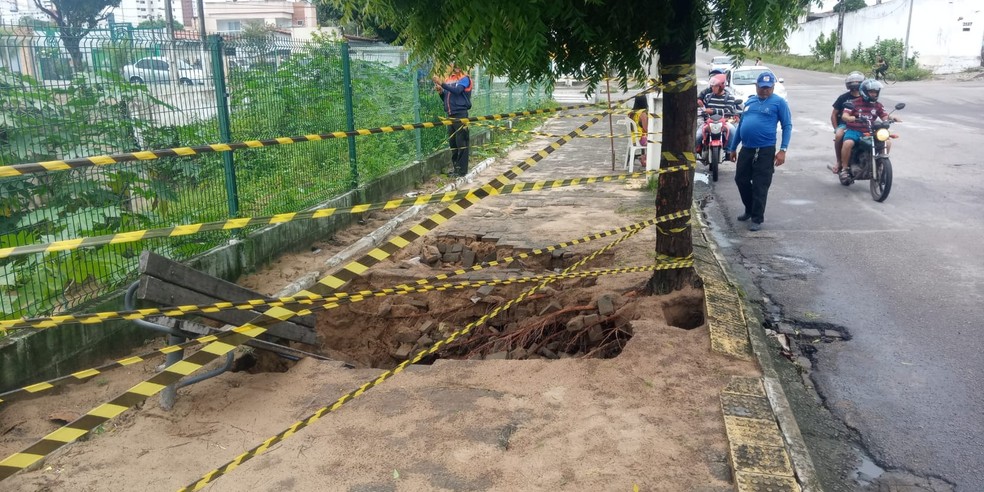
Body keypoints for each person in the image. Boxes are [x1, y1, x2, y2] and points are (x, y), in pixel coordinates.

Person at [726, 72, 792, 231]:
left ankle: (757, 218)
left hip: (765, 150)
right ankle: (750, 208)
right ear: (756, 86)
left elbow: (787, 126)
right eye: (762, 88)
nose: (764, 91)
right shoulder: (750, 101)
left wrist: (783, 150)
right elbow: (741, 126)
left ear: (773, 87)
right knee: (740, 179)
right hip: (747, 148)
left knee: (760, 185)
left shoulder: (779, 103)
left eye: (768, 88)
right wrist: (733, 148)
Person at [839, 79, 901, 180]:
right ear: (864, 91)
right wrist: (852, 118)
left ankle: (880, 165)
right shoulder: (853, 103)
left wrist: (892, 118)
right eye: (871, 92)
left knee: (887, 142)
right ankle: (845, 169)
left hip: (870, 132)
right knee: (848, 143)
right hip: (854, 131)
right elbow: (845, 115)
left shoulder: (878, 105)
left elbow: (884, 116)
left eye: (876, 92)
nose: (874, 94)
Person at [432, 62, 472, 177]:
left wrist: (442, 83)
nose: (456, 67)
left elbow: (457, 91)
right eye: (455, 65)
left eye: (459, 65)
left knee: (462, 143)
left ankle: (462, 171)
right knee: (453, 143)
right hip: (450, 115)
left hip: (460, 115)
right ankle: (456, 169)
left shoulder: (465, 79)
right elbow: (447, 97)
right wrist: (441, 92)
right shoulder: (449, 79)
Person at [829, 71, 865, 174]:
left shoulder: (866, 97)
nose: (855, 87)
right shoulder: (843, 98)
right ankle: (839, 161)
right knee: (839, 136)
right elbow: (834, 114)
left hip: (863, 124)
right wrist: (836, 129)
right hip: (845, 124)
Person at [695, 73, 739, 155]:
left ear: (721, 86)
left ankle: (729, 150)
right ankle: (696, 150)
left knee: (733, 130)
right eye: (712, 86)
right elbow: (703, 109)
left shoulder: (729, 97)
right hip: (708, 121)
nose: (713, 88)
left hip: (724, 122)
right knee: (698, 135)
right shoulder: (708, 96)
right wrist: (701, 107)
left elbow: (727, 110)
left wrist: (712, 111)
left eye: (715, 86)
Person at [630, 95, 649, 168]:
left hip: (633, 139)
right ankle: (646, 159)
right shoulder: (642, 114)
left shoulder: (631, 113)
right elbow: (646, 128)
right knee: (656, 141)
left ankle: (643, 157)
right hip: (641, 140)